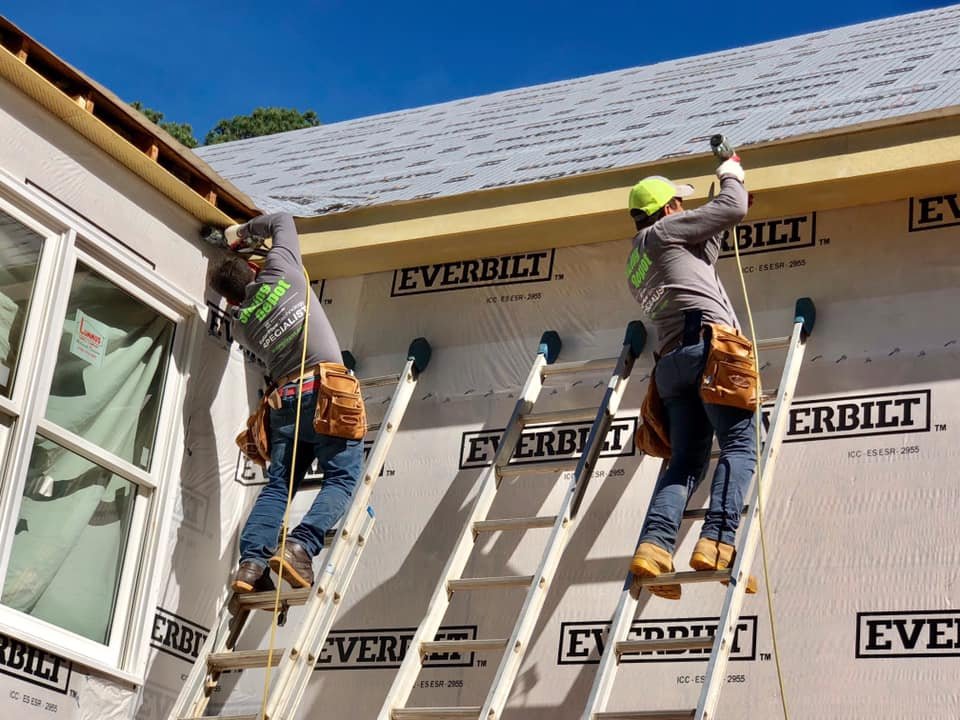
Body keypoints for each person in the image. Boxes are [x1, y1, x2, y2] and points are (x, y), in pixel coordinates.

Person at [206, 213, 363, 594]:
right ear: (255, 269)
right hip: (328, 391)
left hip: (286, 402)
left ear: (228, 299)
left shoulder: (241, 324)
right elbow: (281, 221)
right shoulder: (285, 272)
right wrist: (240, 236)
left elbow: (244, 298)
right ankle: (299, 546)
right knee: (342, 478)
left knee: (278, 486)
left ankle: (250, 565)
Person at [625, 158, 758, 599]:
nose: (682, 209)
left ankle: (654, 547)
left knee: (685, 462)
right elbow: (734, 207)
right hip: (707, 347)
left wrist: (715, 216)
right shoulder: (665, 233)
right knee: (740, 445)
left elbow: (701, 261)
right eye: (679, 204)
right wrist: (730, 177)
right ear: (666, 211)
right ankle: (717, 542)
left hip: (672, 365)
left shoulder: (639, 258)